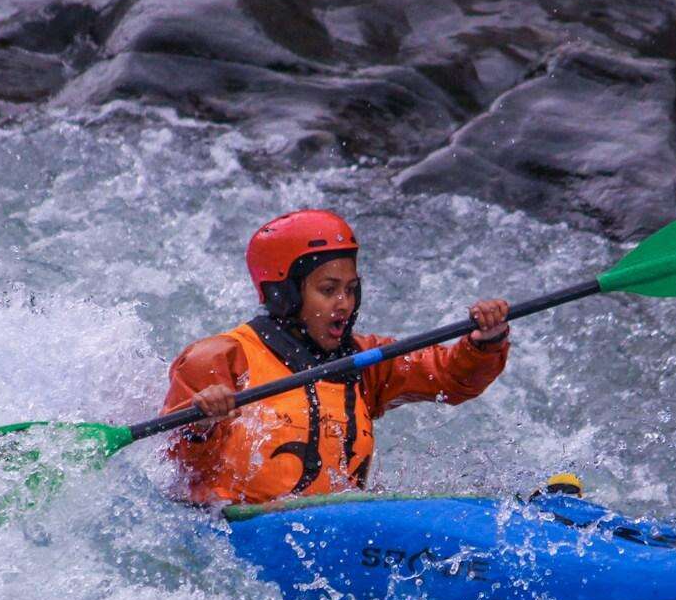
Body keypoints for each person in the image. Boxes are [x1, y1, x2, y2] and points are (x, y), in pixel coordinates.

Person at [159, 209, 510, 506]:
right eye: (328, 290)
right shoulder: (220, 357)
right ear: (284, 294)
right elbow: (178, 468)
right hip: (234, 532)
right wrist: (200, 424)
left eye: (351, 289)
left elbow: (449, 378)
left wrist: (484, 343)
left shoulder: (365, 359)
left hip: (334, 536)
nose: (344, 303)